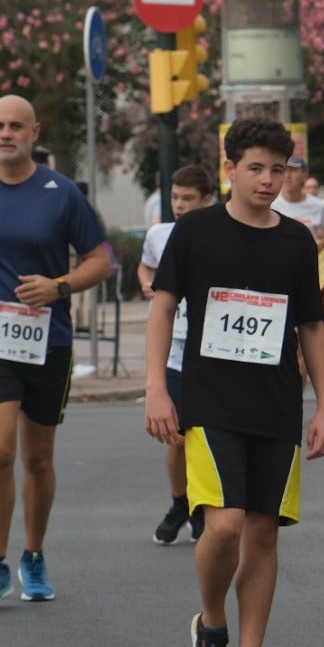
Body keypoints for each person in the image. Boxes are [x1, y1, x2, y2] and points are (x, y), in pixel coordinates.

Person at [144, 115, 324, 647]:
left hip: (276, 405)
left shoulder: (296, 240)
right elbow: (162, 308)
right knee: (223, 525)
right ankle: (212, 623)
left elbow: (311, 326)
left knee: (263, 534)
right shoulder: (196, 231)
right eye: (255, 168)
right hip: (210, 403)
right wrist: (156, 387)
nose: (268, 180)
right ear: (229, 169)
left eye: (278, 169)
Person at [0, 95, 111, 607]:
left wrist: (59, 286)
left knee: (37, 459)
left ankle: (33, 554)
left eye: (16, 126)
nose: (5, 133)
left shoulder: (61, 193)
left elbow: (100, 262)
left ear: (34, 132)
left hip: (47, 339)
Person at [137, 163, 217, 546]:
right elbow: (146, 265)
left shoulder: (221, 232)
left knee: (205, 435)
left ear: (207, 200)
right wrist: (147, 285)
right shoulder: (159, 233)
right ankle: (180, 502)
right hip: (174, 351)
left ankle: (202, 507)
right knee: (177, 436)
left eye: (188, 199)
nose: (180, 205)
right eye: (175, 198)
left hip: (211, 352)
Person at [273, 155, 324, 282]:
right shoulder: (270, 203)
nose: (287, 175)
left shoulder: (318, 206)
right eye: (283, 170)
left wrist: (320, 243)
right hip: (276, 274)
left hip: (307, 274)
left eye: (293, 170)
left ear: (305, 175)